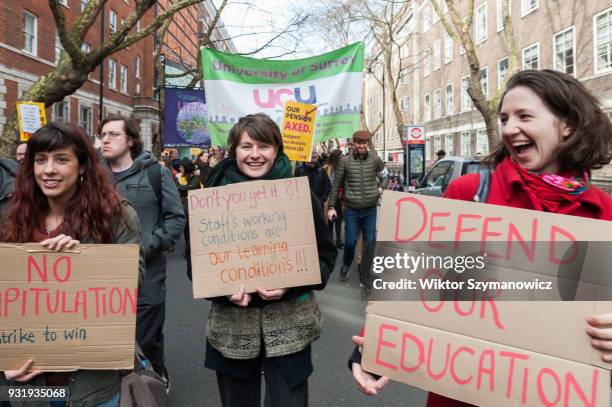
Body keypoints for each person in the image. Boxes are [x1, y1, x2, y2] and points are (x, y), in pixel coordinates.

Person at [348, 69, 612, 405]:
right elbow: (416, 286)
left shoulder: (604, 215)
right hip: (465, 394)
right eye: (504, 118)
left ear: (568, 125)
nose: (509, 128)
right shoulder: (471, 196)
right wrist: (373, 350)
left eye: (524, 116)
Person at [0, 122, 145, 407]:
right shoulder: (9, 215)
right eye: (40, 160)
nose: (48, 170)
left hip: (92, 385)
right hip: (29, 384)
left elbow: (132, 282)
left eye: (61, 159)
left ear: (82, 166)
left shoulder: (115, 214)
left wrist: (83, 261)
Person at [203, 113, 337, 407]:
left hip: (290, 330)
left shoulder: (300, 194)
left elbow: (326, 254)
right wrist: (223, 291)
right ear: (233, 150)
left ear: (277, 149)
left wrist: (291, 285)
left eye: (263, 146)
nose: (254, 155)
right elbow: (196, 263)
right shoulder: (211, 197)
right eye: (246, 146)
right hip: (232, 331)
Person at [98, 115, 186, 389]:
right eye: (103, 134)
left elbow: (175, 218)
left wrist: (148, 246)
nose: (106, 139)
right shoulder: (91, 176)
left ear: (131, 140)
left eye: (113, 134)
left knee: (145, 334)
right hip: (101, 271)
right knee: (108, 331)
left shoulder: (155, 174)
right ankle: (118, 386)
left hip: (147, 270)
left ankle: (155, 372)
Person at [327, 130, 387, 285]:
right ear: (354, 143)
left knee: (369, 242)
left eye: (364, 143)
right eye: (359, 142)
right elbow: (336, 185)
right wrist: (331, 207)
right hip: (351, 210)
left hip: (370, 209)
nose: (361, 145)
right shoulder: (344, 161)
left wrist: (381, 189)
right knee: (351, 241)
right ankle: (346, 263)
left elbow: (386, 176)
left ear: (367, 144)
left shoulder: (375, 159)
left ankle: (365, 274)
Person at [177, 157, 201, 280]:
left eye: (181, 167)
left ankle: (192, 252)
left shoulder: (195, 178)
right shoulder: (185, 178)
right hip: (185, 210)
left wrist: (180, 187)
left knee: (192, 233)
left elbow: (191, 188)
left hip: (193, 210)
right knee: (187, 232)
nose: (180, 169)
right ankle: (188, 252)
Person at [323, 149, 344, 248]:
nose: (342, 159)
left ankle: (339, 241)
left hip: (339, 199)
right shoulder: (326, 168)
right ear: (336, 157)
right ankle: (330, 240)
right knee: (330, 220)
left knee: (339, 220)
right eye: (340, 157)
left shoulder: (342, 169)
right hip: (329, 199)